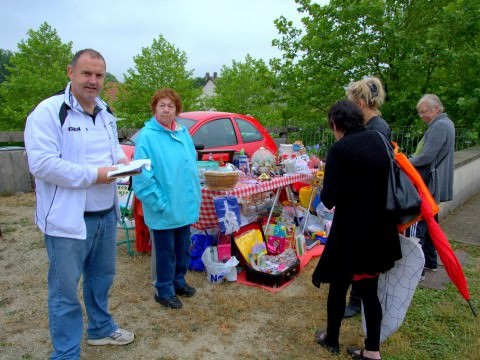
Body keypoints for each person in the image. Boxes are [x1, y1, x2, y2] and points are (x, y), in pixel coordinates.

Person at [24, 49, 134, 359]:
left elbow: (112, 154)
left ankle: (100, 329)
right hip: (67, 220)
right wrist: (94, 175)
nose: (93, 81)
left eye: (99, 75)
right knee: (65, 292)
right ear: (70, 72)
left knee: (101, 279)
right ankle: (66, 352)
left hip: (104, 214)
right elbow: (42, 164)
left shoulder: (106, 111)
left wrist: (125, 164)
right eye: (86, 73)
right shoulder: (48, 112)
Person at [312, 100, 401, 360]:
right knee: (369, 291)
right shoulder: (379, 139)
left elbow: (329, 198)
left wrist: (320, 182)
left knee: (339, 286)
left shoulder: (340, 150)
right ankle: (372, 351)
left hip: (351, 230)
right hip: (380, 228)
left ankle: (331, 339)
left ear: (337, 124)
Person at [132, 88, 201, 309]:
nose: (166, 109)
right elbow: (142, 176)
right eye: (161, 105)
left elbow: (191, 166)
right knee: (165, 252)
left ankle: (178, 282)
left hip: (183, 204)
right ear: (154, 108)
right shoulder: (147, 136)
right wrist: (159, 203)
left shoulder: (183, 133)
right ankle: (163, 289)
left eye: (170, 106)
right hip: (164, 206)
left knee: (183, 248)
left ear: (176, 110)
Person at [344, 76, 391, 317]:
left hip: (372, 206)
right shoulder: (370, 127)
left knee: (364, 260)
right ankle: (358, 297)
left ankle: (358, 300)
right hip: (368, 204)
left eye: (351, 103)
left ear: (360, 103)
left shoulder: (378, 129)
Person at [409, 94, 455, 277]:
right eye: (420, 113)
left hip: (429, 182)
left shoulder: (439, 126)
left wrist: (405, 162)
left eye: (425, 111)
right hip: (434, 182)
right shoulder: (445, 124)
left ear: (437, 108)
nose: (422, 116)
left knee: (419, 223)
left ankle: (417, 271)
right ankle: (430, 261)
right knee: (430, 223)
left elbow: (427, 157)